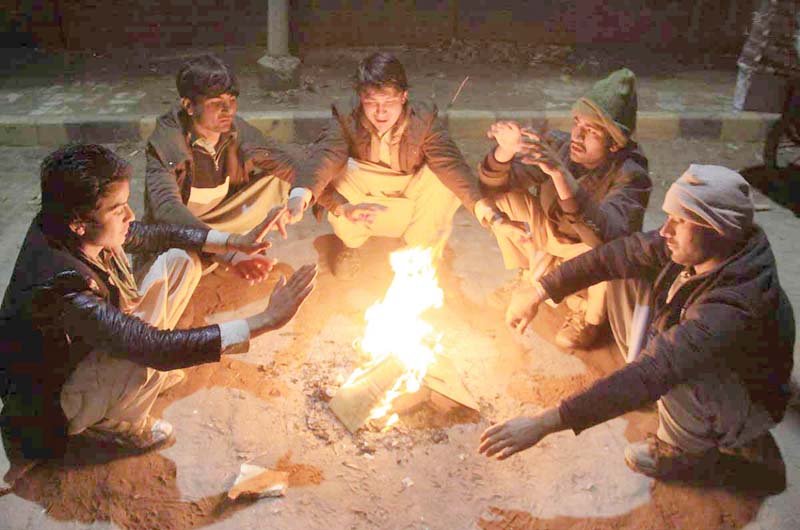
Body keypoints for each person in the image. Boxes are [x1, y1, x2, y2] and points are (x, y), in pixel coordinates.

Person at [0, 144, 317, 460]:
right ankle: (114, 422)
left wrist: (234, 243)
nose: (130, 215)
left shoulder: (62, 223)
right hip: (51, 410)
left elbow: (151, 234)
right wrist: (264, 321)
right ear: (78, 222)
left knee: (180, 262)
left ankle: (130, 389)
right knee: (145, 354)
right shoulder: (64, 284)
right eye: (117, 209)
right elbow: (154, 347)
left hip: (82, 350)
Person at [479, 165, 794, 479]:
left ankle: (685, 452)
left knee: (673, 369)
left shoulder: (735, 304)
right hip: (686, 357)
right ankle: (653, 395)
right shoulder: (712, 249)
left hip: (743, 405)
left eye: (680, 221)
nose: (665, 230)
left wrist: (542, 424)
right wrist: (540, 290)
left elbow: (659, 369)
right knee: (623, 270)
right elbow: (615, 254)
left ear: (719, 228)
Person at [479, 68, 651, 349]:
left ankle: (589, 317)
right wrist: (506, 151)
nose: (578, 136)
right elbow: (493, 186)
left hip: (588, 250)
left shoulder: (631, 175)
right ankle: (527, 276)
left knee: (612, 255)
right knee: (503, 199)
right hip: (553, 239)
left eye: (592, 131)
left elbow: (607, 239)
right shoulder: (561, 145)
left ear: (614, 145)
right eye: (577, 123)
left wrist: (560, 175)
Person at [284, 52, 495, 277]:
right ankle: (351, 244)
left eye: (389, 102)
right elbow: (324, 155)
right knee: (336, 172)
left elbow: (451, 164)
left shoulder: (423, 119)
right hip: (361, 197)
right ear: (360, 99)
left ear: (404, 97)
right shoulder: (346, 115)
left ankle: (417, 253)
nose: (381, 111)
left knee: (441, 180)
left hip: (408, 195)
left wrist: (491, 214)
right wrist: (299, 197)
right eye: (371, 103)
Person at [144, 54, 297, 283]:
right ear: (189, 106)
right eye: (216, 103)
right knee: (182, 263)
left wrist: (329, 204)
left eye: (232, 100)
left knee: (283, 181)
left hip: (222, 217)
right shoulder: (167, 140)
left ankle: (226, 253)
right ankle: (219, 257)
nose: (228, 110)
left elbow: (286, 161)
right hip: (183, 228)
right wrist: (228, 250)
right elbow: (167, 210)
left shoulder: (235, 129)